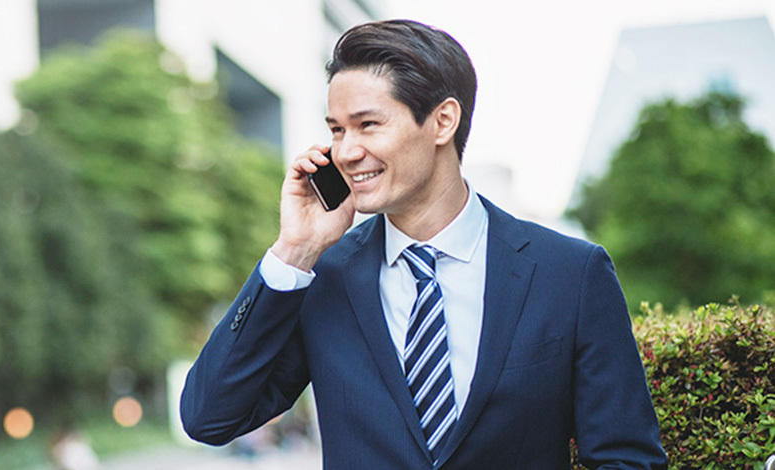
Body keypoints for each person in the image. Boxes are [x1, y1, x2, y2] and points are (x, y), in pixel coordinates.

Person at [179, 19, 667, 469]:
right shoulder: (324, 276)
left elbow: (628, 458)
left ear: (443, 121)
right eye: (336, 130)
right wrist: (295, 251)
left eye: (368, 125)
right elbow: (209, 419)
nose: (345, 152)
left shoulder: (570, 273)